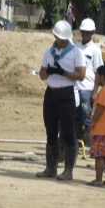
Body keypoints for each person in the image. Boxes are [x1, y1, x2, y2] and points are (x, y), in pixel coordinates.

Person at [37, 19, 87, 181]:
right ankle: (50, 168)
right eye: (60, 38)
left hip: (67, 94)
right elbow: (42, 74)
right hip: (51, 93)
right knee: (50, 131)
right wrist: (49, 72)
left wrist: (63, 73)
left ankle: (68, 170)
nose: (62, 40)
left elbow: (81, 75)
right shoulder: (48, 52)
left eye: (64, 38)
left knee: (68, 133)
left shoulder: (76, 53)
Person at [75, 18, 104, 153]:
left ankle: (87, 142)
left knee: (87, 115)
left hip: (87, 88)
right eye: (83, 32)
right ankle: (75, 141)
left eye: (88, 32)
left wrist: (95, 91)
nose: (85, 34)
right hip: (75, 87)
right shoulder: (75, 47)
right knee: (75, 115)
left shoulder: (95, 50)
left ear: (92, 32)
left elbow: (99, 72)